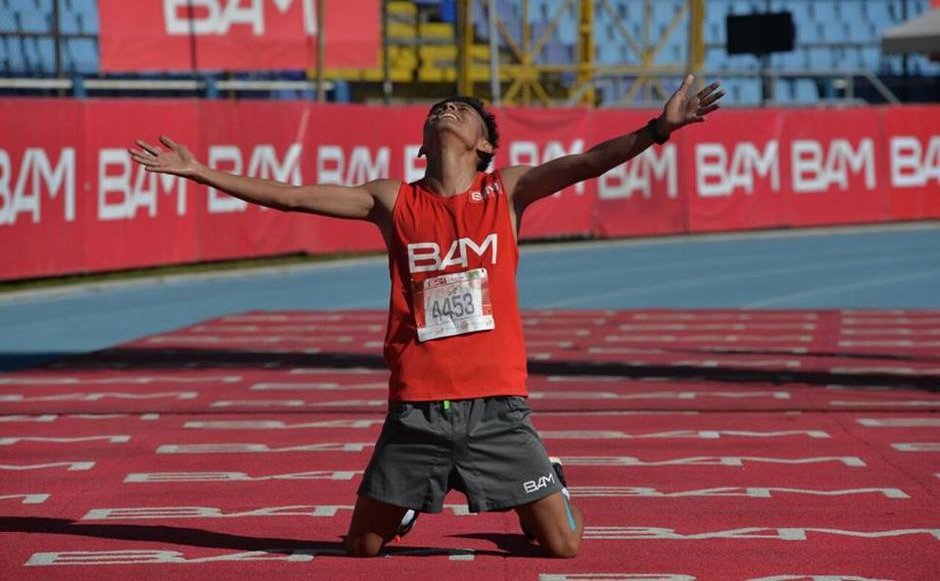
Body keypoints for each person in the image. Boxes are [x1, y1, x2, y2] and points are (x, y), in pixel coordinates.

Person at [130, 74, 723, 559]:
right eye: (439, 108)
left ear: (485, 146)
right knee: (361, 548)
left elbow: (589, 161)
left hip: (497, 407)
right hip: (417, 408)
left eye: (461, 110)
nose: (446, 110)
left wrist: (656, 130)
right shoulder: (393, 200)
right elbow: (293, 195)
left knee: (563, 547)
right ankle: (412, 500)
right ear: (420, 143)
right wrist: (200, 171)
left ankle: (551, 480)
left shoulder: (508, 191)